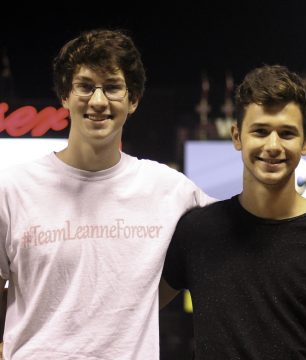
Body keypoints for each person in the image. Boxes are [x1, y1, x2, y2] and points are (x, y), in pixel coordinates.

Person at [0, 29, 213, 359]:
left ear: (133, 100)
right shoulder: (12, 190)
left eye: (112, 87)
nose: (98, 101)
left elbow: (238, 236)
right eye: (85, 86)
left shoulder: (170, 190)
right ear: (65, 96)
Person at [160, 65, 306, 359]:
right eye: (260, 131)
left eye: (286, 133)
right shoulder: (198, 231)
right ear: (237, 136)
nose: (273, 146)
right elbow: (132, 311)